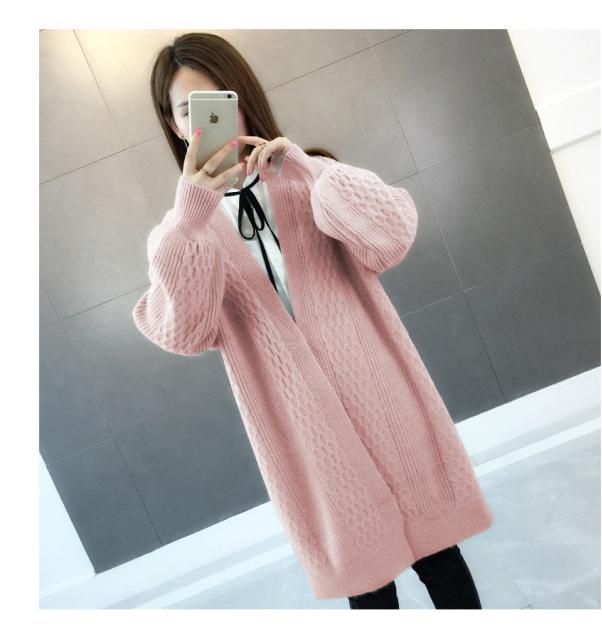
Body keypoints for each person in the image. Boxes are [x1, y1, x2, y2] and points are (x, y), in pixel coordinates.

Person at [133, 32, 494, 607]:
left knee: (441, 558)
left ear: (243, 98)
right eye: (188, 111)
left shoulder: (311, 176)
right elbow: (185, 329)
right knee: (367, 585)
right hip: (302, 430)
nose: (208, 121)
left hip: (381, 395)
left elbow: (390, 236)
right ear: (175, 126)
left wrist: (303, 165)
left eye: (220, 100)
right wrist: (192, 215)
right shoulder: (178, 234)